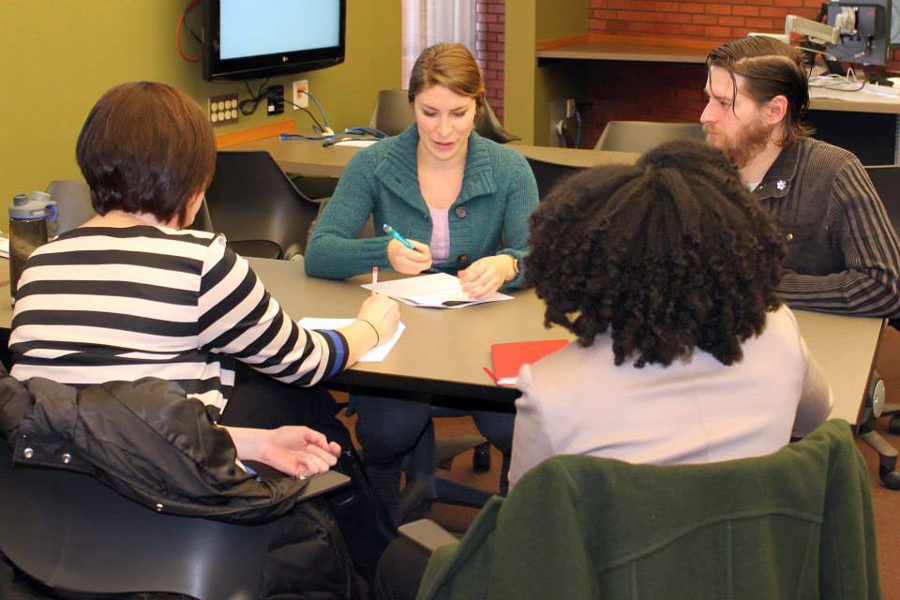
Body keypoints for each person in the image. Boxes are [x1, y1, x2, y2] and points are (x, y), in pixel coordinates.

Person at [7, 82, 401, 589]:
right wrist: (370, 326)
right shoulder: (201, 260)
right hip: (165, 505)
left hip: (47, 521)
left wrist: (249, 441)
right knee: (300, 396)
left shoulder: (39, 264)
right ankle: (380, 568)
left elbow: (97, 424)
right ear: (194, 183)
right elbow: (306, 362)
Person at [508, 140, 834, 487]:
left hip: (623, 525)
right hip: (760, 521)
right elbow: (813, 419)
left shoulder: (550, 392)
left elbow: (528, 510)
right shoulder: (779, 331)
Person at [304, 43, 539, 516]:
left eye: (459, 113)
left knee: (516, 429)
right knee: (385, 432)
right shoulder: (373, 164)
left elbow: (545, 256)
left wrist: (508, 264)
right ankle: (382, 532)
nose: (444, 129)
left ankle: (509, 537)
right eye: (430, 113)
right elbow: (319, 251)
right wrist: (383, 250)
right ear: (412, 104)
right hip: (402, 337)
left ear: (479, 106)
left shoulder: (510, 168)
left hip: (484, 337)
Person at [701, 36, 900, 318]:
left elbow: (885, 287)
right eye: (708, 98)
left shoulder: (833, 172)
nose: (705, 115)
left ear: (774, 111)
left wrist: (761, 289)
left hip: (811, 338)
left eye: (723, 103)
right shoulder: (699, 173)